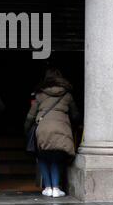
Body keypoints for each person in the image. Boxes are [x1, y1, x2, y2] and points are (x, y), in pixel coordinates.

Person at [25, 67, 80, 198]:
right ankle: (56, 188)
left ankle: (48, 188)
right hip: (62, 129)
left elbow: (30, 117)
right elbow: (75, 114)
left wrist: (26, 130)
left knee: (43, 157)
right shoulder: (67, 95)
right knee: (56, 158)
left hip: (43, 128)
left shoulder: (39, 94)